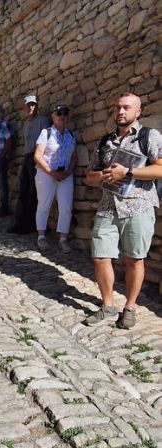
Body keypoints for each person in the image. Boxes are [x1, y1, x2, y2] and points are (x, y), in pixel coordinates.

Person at [84, 92, 162, 329]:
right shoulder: (105, 142)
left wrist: (127, 172)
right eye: (118, 107)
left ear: (138, 111)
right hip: (108, 207)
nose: (120, 111)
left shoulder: (148, 136)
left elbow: (160, 168)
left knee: (134, 259)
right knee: (100, 256)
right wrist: (103, 175)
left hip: (139, 206)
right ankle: (108, 306)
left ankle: (129, 307)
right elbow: (89, 177)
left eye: (127, 107)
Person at [34, 104, 76, 253]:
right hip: (46, 174)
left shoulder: (71, 135)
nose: (62, 116)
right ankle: (41, 236)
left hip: (65, 175)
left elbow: (74, 157)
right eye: (59, 113)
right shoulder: (46, 133)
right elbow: (38, 156)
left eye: (65, 113)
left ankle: (63, 239)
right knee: (44, 204)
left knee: (66, 207)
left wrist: (68, 172)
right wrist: (51, 172)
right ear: (53, 116)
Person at [8, 95, 49, 233]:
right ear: (24, 107)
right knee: (23, 189)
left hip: (37, 157)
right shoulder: (26, 124)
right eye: (28, 105)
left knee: (34, 191)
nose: (31, 107)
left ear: (37, 106)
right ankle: (19, 222)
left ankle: (30, 224)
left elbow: (47, 140)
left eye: (33, 105)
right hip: (27, 157)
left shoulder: (43, 121)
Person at [0, 101, 14, 216]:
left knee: (2, 182)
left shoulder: (4, 124)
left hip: (0, 158)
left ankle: (4, 206)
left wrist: (2, 155)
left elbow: (9, 140)